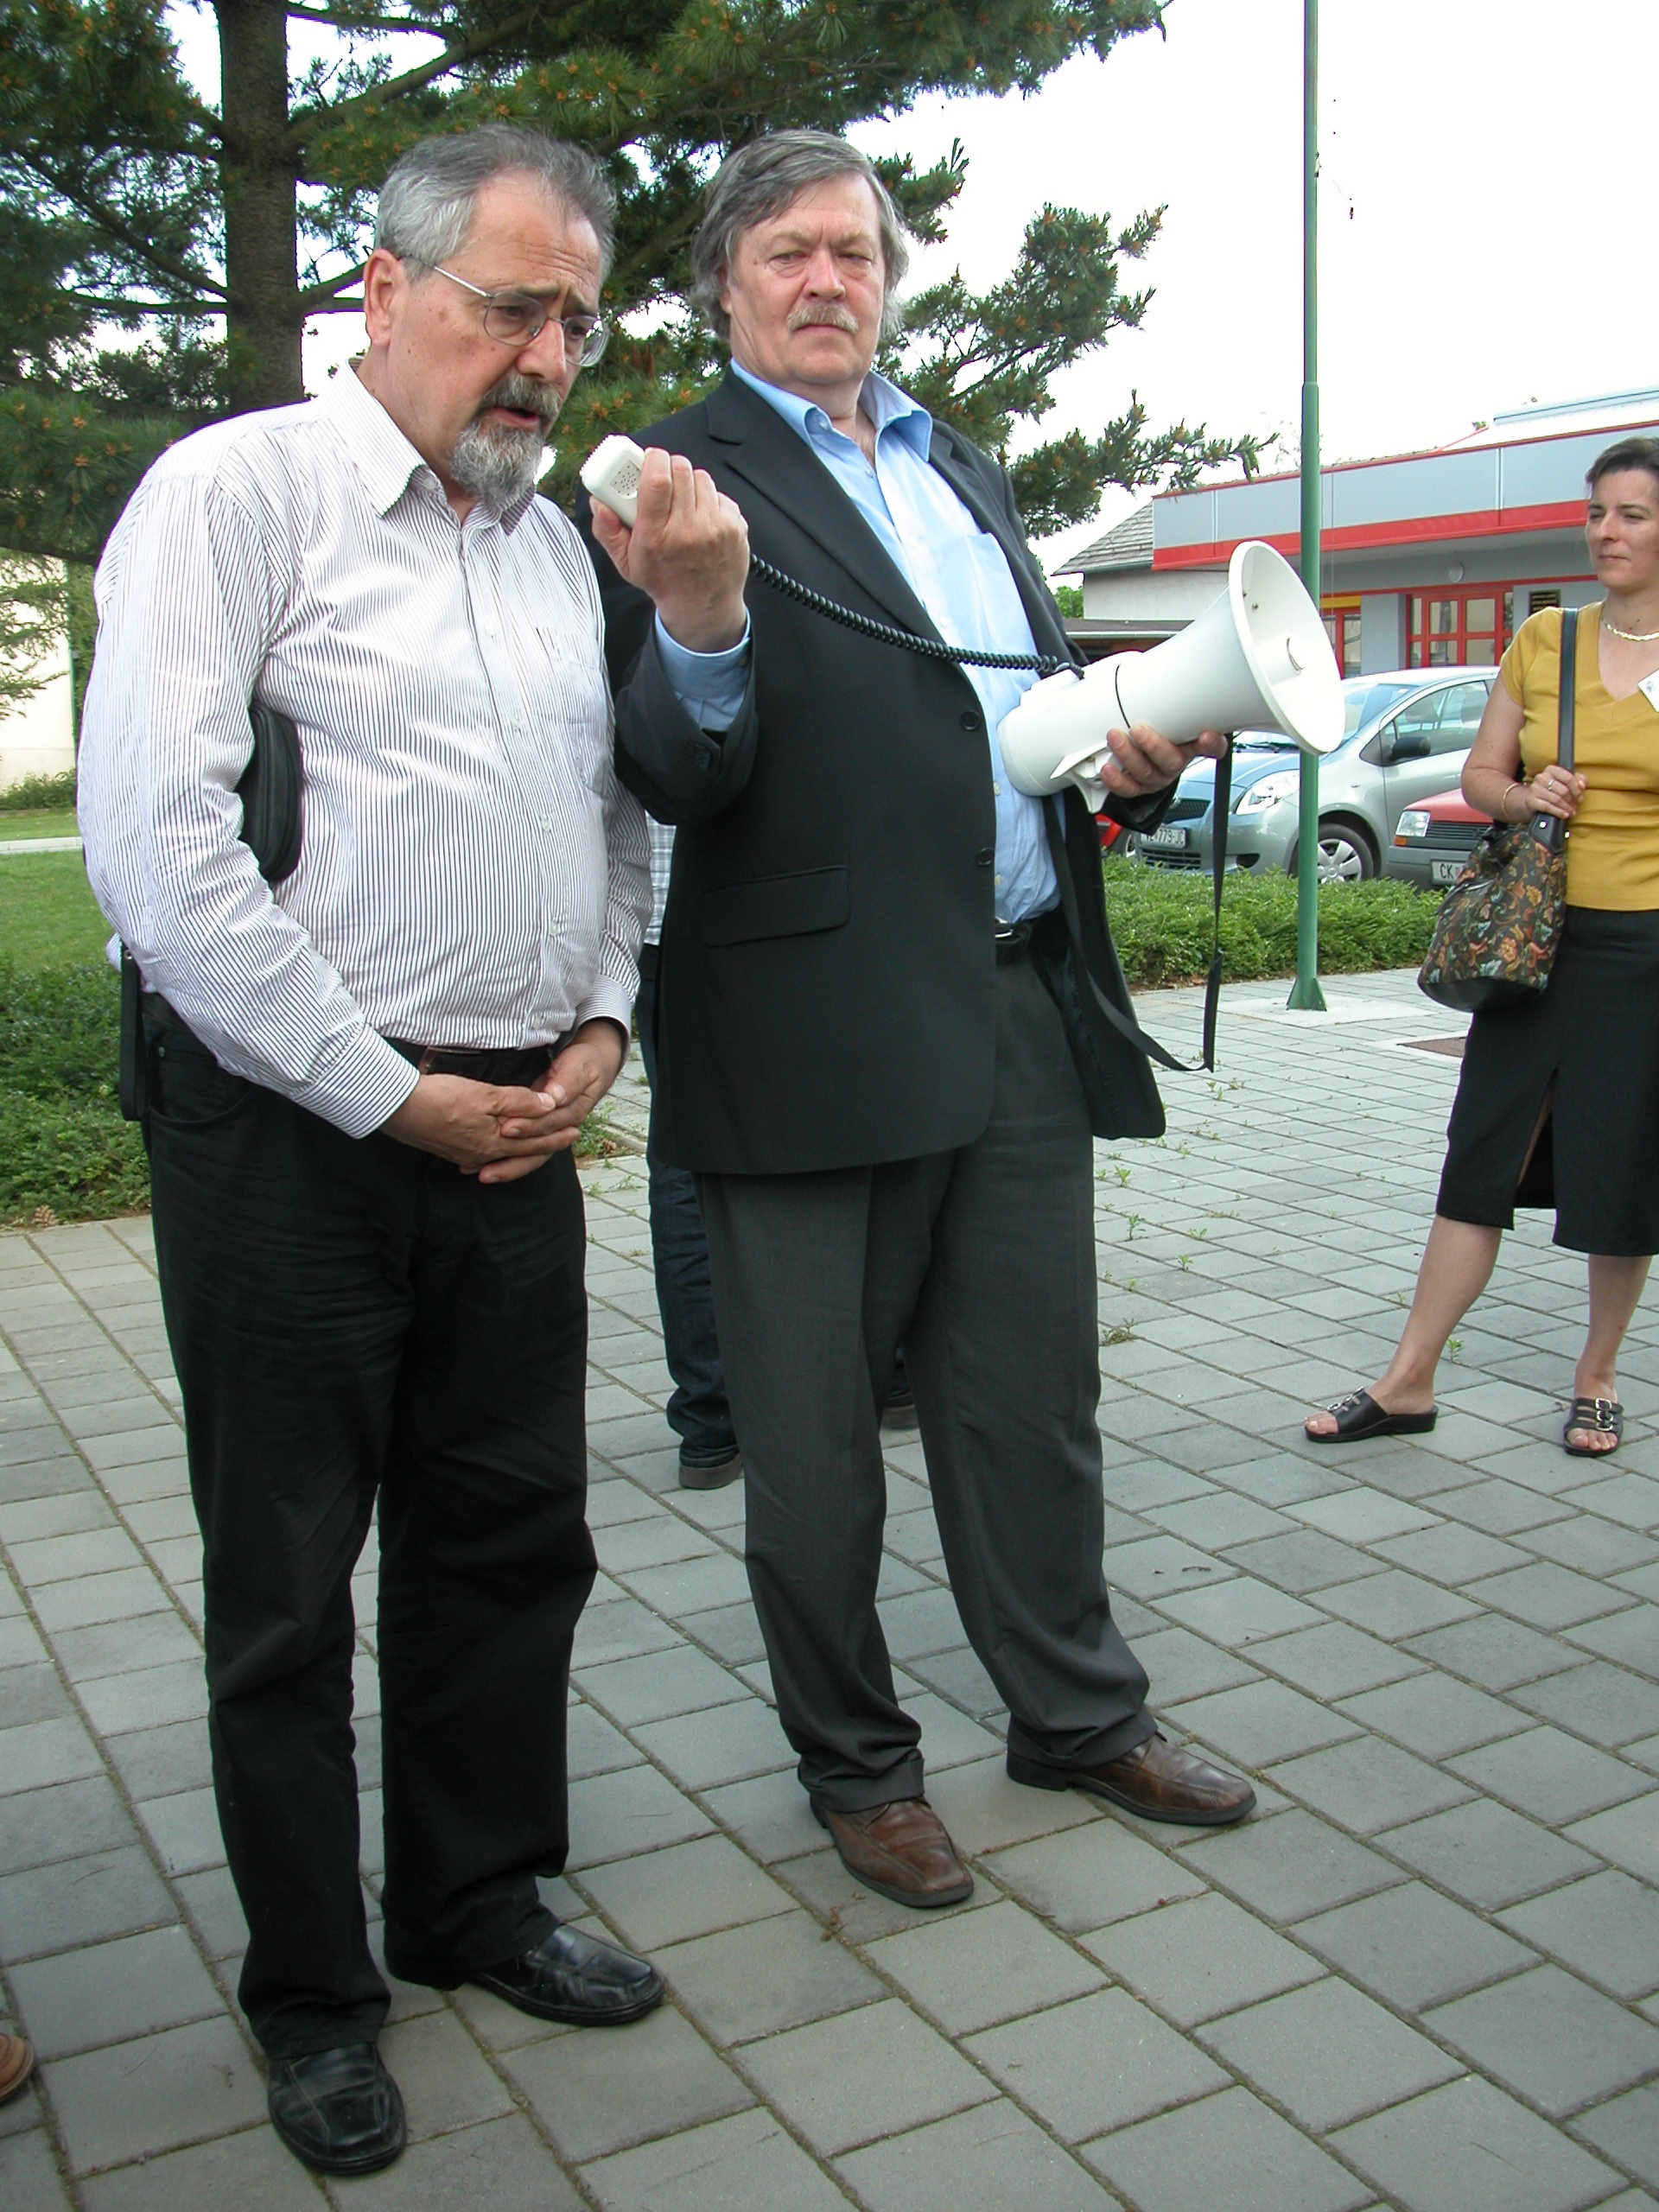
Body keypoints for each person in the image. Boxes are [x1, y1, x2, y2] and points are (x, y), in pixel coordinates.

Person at [77, 127, 683, 2178]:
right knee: (284, 1581)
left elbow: (621, 814)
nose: (549, 357)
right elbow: (158, 848)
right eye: (511, 306)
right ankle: (316, 1993)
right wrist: (381, 1089)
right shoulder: (237, 495)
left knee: (511, 1534)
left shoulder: (554, 549)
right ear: (384, 290)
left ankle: (476, 1896)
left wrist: (603, 1012)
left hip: (519, 1117)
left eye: (576, 318)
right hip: (291, 1127)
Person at [583, 130, 1255, 1913]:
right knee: (814, 1448)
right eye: (789, 252)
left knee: (1033, 1402)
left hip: (1016, 992)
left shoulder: (956, 461)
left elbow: (1005, 716)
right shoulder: (670, 480)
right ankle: (859, 1767)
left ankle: (1076, 1711)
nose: (830, 280)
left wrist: (1118, 755)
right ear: (725, 283)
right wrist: (701, 617)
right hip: (809, 1027)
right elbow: (670, 765)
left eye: (857, 253)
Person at [1307, 435, 1659, 1456]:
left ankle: (1597, 1378)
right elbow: (1482, 776)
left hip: (1647, 950)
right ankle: (1409, 1380)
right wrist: (1527, 791)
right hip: (1533, 944)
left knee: (1621, 1171)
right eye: (1595, 512)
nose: (1606, 532)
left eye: (1632, 515)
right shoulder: (1546, 641)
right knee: (1480, 1155)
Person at [636, 818, 744, 1487]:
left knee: (682, 1158)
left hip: (660, 914)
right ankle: (889, 1373)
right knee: (844, 1129)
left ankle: (710, 1421)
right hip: (791, 907)